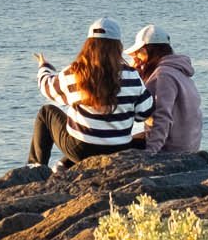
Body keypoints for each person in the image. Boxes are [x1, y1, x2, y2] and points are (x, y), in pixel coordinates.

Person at [29, 17, 153, 167]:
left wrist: (44, 67)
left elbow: (47, 88)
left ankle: (35, 167)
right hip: (119, 149)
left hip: (80, 149)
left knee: (46, 113)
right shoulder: (131, 75)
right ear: (118, 46)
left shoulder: (74, 73)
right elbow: (144, 114)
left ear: (88, 45)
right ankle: (63, 166)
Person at [129, 24, 203, 155]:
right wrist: (138, 75)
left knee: (115, 146)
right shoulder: (178, 71)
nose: (136, 57)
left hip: (171, 148)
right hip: (189, 145)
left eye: (138, 53)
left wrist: (150, 151)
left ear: (147, 51)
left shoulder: (163, 75)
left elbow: (162, 116)